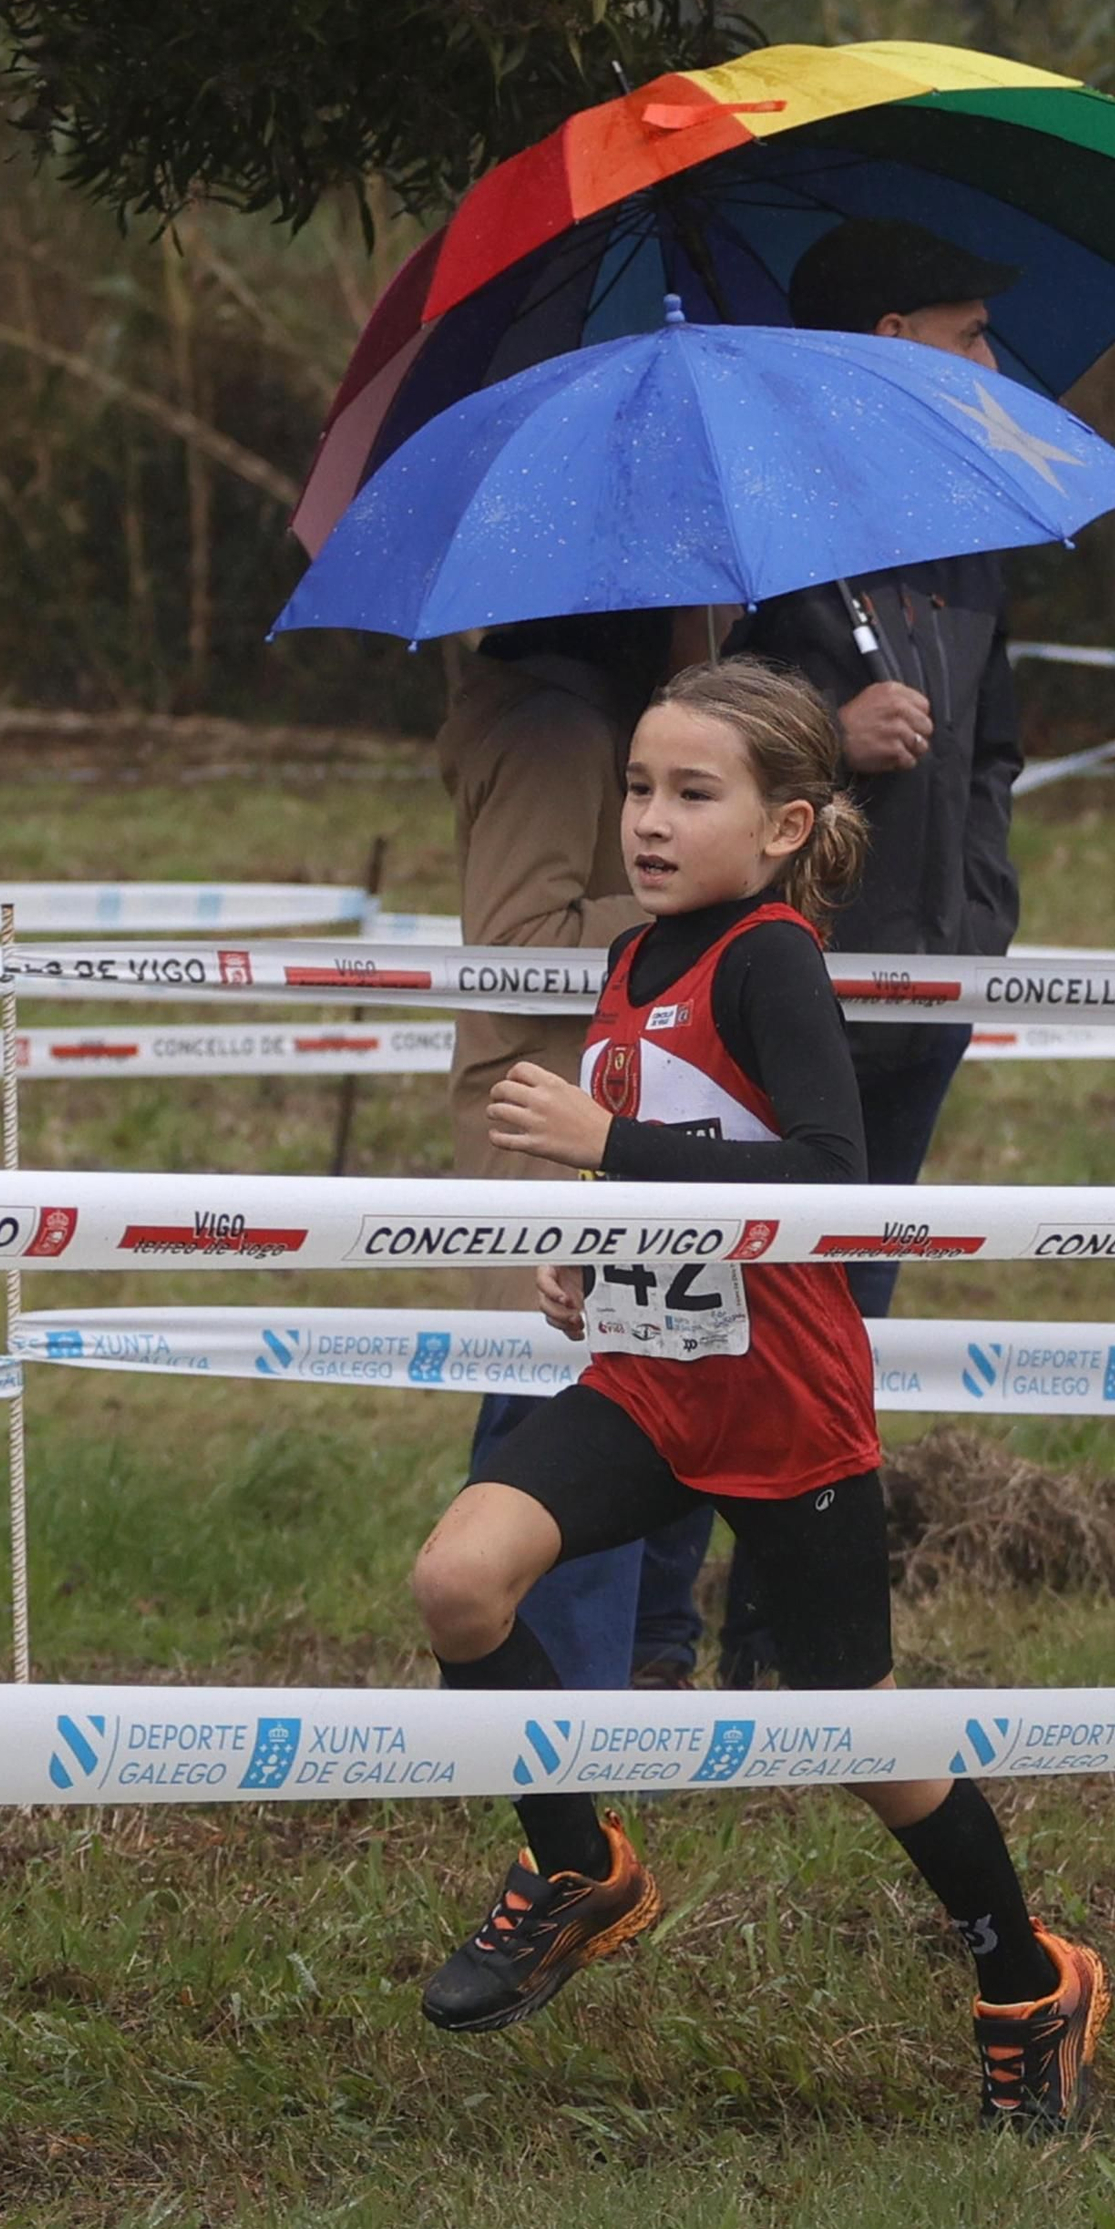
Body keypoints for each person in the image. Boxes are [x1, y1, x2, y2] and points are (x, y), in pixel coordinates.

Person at [412, 658, 1109, 2135]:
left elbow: (825, 1183)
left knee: (862, 1735)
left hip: (784, 1409)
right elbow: (670, 1176)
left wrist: (606, 1148)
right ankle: (583, 1865)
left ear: (787, 824)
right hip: (646, 1386)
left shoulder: (771, 958)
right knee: (460, 1584)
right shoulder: (633, 960)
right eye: (636, 788)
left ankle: (1026, 1975)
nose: (649, 821)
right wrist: (591, 1262)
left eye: (691, 793)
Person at [718, 219, 1026, 1686]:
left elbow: (992, 754)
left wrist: (980, 921)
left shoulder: (970, 542)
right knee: (745, 1310)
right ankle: (698, 1633)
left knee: (852, 1319)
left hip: (932, 993)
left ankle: (810, 1650)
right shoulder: (760, 534)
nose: (991, 361)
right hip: (795, 992)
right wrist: (825, 742)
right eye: (972, 333)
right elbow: (700, 750)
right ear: (896, 339)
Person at [439, 613, 710, 1688]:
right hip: (548, 1118)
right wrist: (687, 899)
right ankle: (552, 1726)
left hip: (595, 1107)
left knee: (623, 1404)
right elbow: (515, 947)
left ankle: (613, 1686)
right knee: (558, 1420)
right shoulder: (554, 729)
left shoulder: (586, 720)